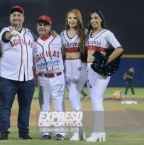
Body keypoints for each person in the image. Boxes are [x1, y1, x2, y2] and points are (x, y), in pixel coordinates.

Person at [85, 9, 123, 142]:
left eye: (96, 18)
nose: (93, 20)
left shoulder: (107, 33)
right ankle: (100, 133)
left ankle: (97, 132)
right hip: (89, 68)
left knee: (95, 99)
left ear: (101, 19)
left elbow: (119, 48)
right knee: (96, 99)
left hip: (101, 70)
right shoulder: (89, 33)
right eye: (91, 18)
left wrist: (106, 61)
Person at [0, 5, 35, 140]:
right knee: (5, 107)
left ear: (23, 18)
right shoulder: (5, 31)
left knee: (25, 108)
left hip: (27, 78)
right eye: (14, 15)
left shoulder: (30, 33)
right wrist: (11, 34)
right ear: (10, 18)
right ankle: (4, 133)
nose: (16, 17)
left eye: (19, 15)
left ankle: (24, 132)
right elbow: (5, 38)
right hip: (8, 77)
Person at [33, 15, 66, 140]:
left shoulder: (58, 39)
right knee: (44, 105)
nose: (42, 27)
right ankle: (45, 133)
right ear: (36, 27)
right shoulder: (33, 44)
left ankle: (60, 133)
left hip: (57, 75)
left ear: (50, 27)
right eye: (40, 25)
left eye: (45, 25)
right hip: (42, 77)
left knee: (58, 105)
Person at [60, 9, 87, 141]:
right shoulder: (63, 34)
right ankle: (81, 132)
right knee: (75, 98)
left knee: (72, 96)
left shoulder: (84, 33)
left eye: (74, 18)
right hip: (67, 67)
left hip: (79, 66)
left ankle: (76, 133)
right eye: (70, 18)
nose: (72, 20)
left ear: (78, 20)